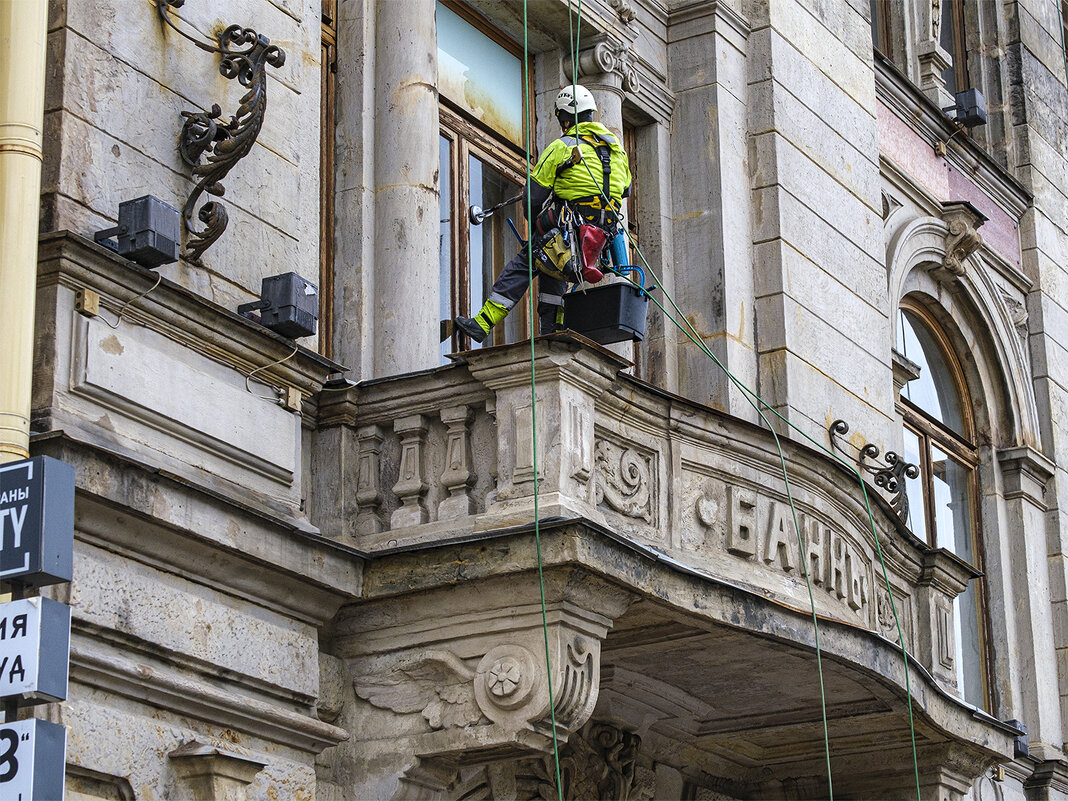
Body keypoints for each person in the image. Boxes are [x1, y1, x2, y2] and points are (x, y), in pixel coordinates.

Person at [454, 84, 632, 344]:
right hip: (595, 244)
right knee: (552, 270)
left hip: (571, 232)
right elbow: (623, 190)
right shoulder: (617, 153)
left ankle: (482, 324)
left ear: (565, 118)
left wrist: (539, 224)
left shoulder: (564, 146)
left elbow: (532, 197)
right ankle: (553, 334)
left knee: (523, 265)